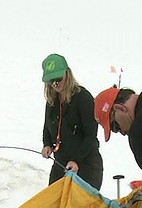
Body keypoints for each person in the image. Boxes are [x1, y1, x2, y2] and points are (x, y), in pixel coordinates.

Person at [40, 53, 103, 190]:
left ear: (68, 74)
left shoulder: (83, 98)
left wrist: (76, 160)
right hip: (61, 163)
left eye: (58, 79)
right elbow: (47, 126)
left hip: (86, 164)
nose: (55, 84)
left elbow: (90, 137)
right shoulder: (52, 101)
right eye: (51, 81)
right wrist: (47, 144)